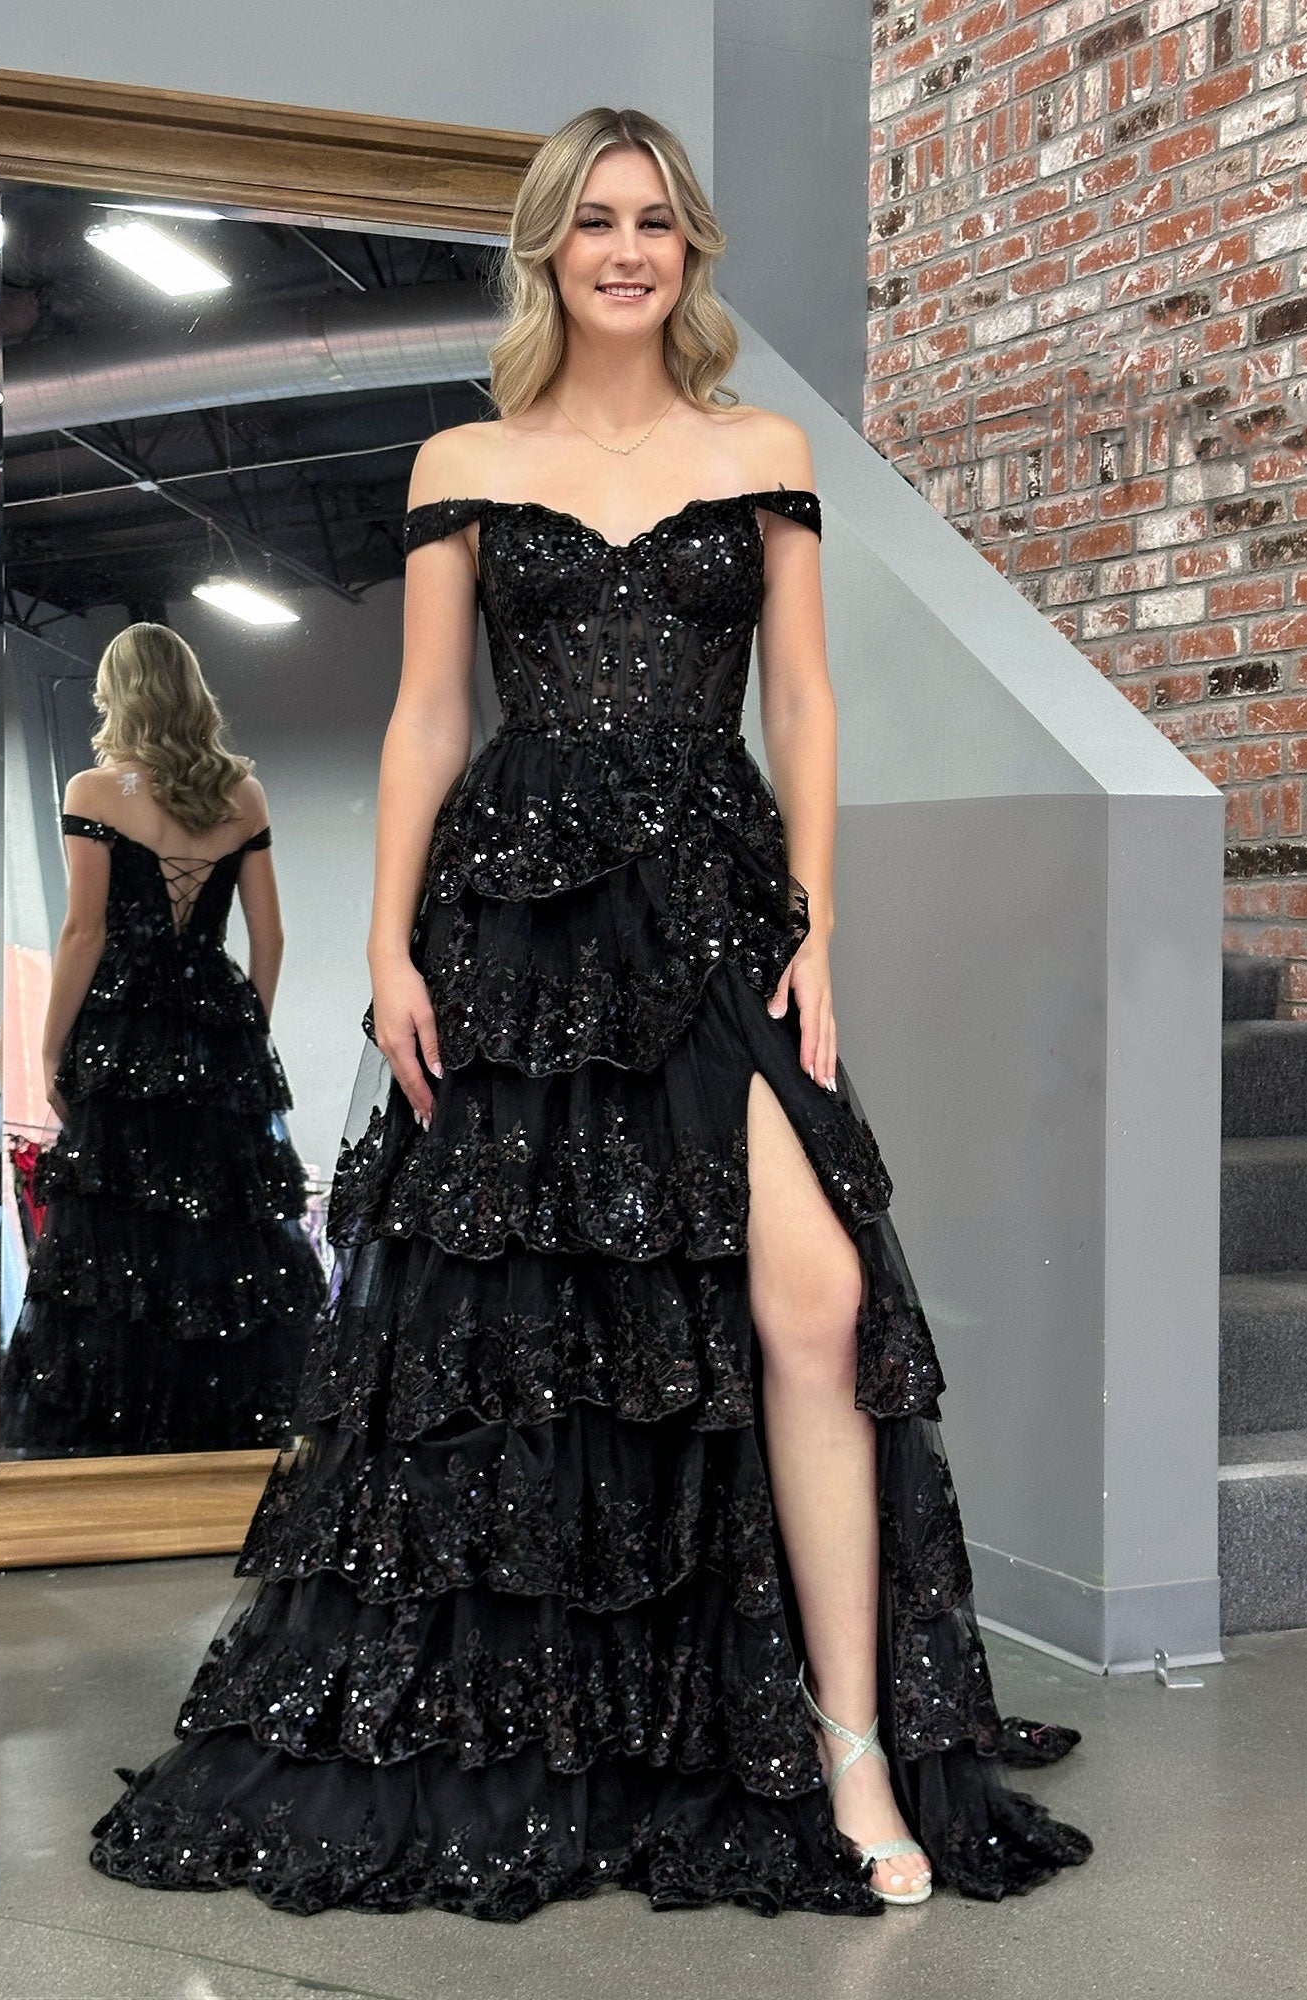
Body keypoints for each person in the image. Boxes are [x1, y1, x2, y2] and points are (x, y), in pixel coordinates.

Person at [89, 108, 1090, 1916]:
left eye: (655, 223)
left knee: (817, 1300)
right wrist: (388, 943)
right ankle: (563, 1721)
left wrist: (820, 925)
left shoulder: (761, 447)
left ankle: (851, 1747)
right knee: (523, 1335)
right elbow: (427, 717)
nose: (626, 250)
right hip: (518, 917)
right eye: (596, 222)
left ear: (688, 250)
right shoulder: (464, 456)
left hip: (714, 903)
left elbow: (804, 702)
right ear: (549, 247)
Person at [0, 622, 323, 1456]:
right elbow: (271, 936)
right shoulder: (244, 795)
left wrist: (48, 1047)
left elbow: (85, 932)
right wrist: (247, 1033)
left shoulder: (94, 791)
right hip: (215, 1026)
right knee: (219, 1233)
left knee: (120, 1232)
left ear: (119, 693)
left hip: (123, 1033)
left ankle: (125, 1436)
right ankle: (217, 1431)